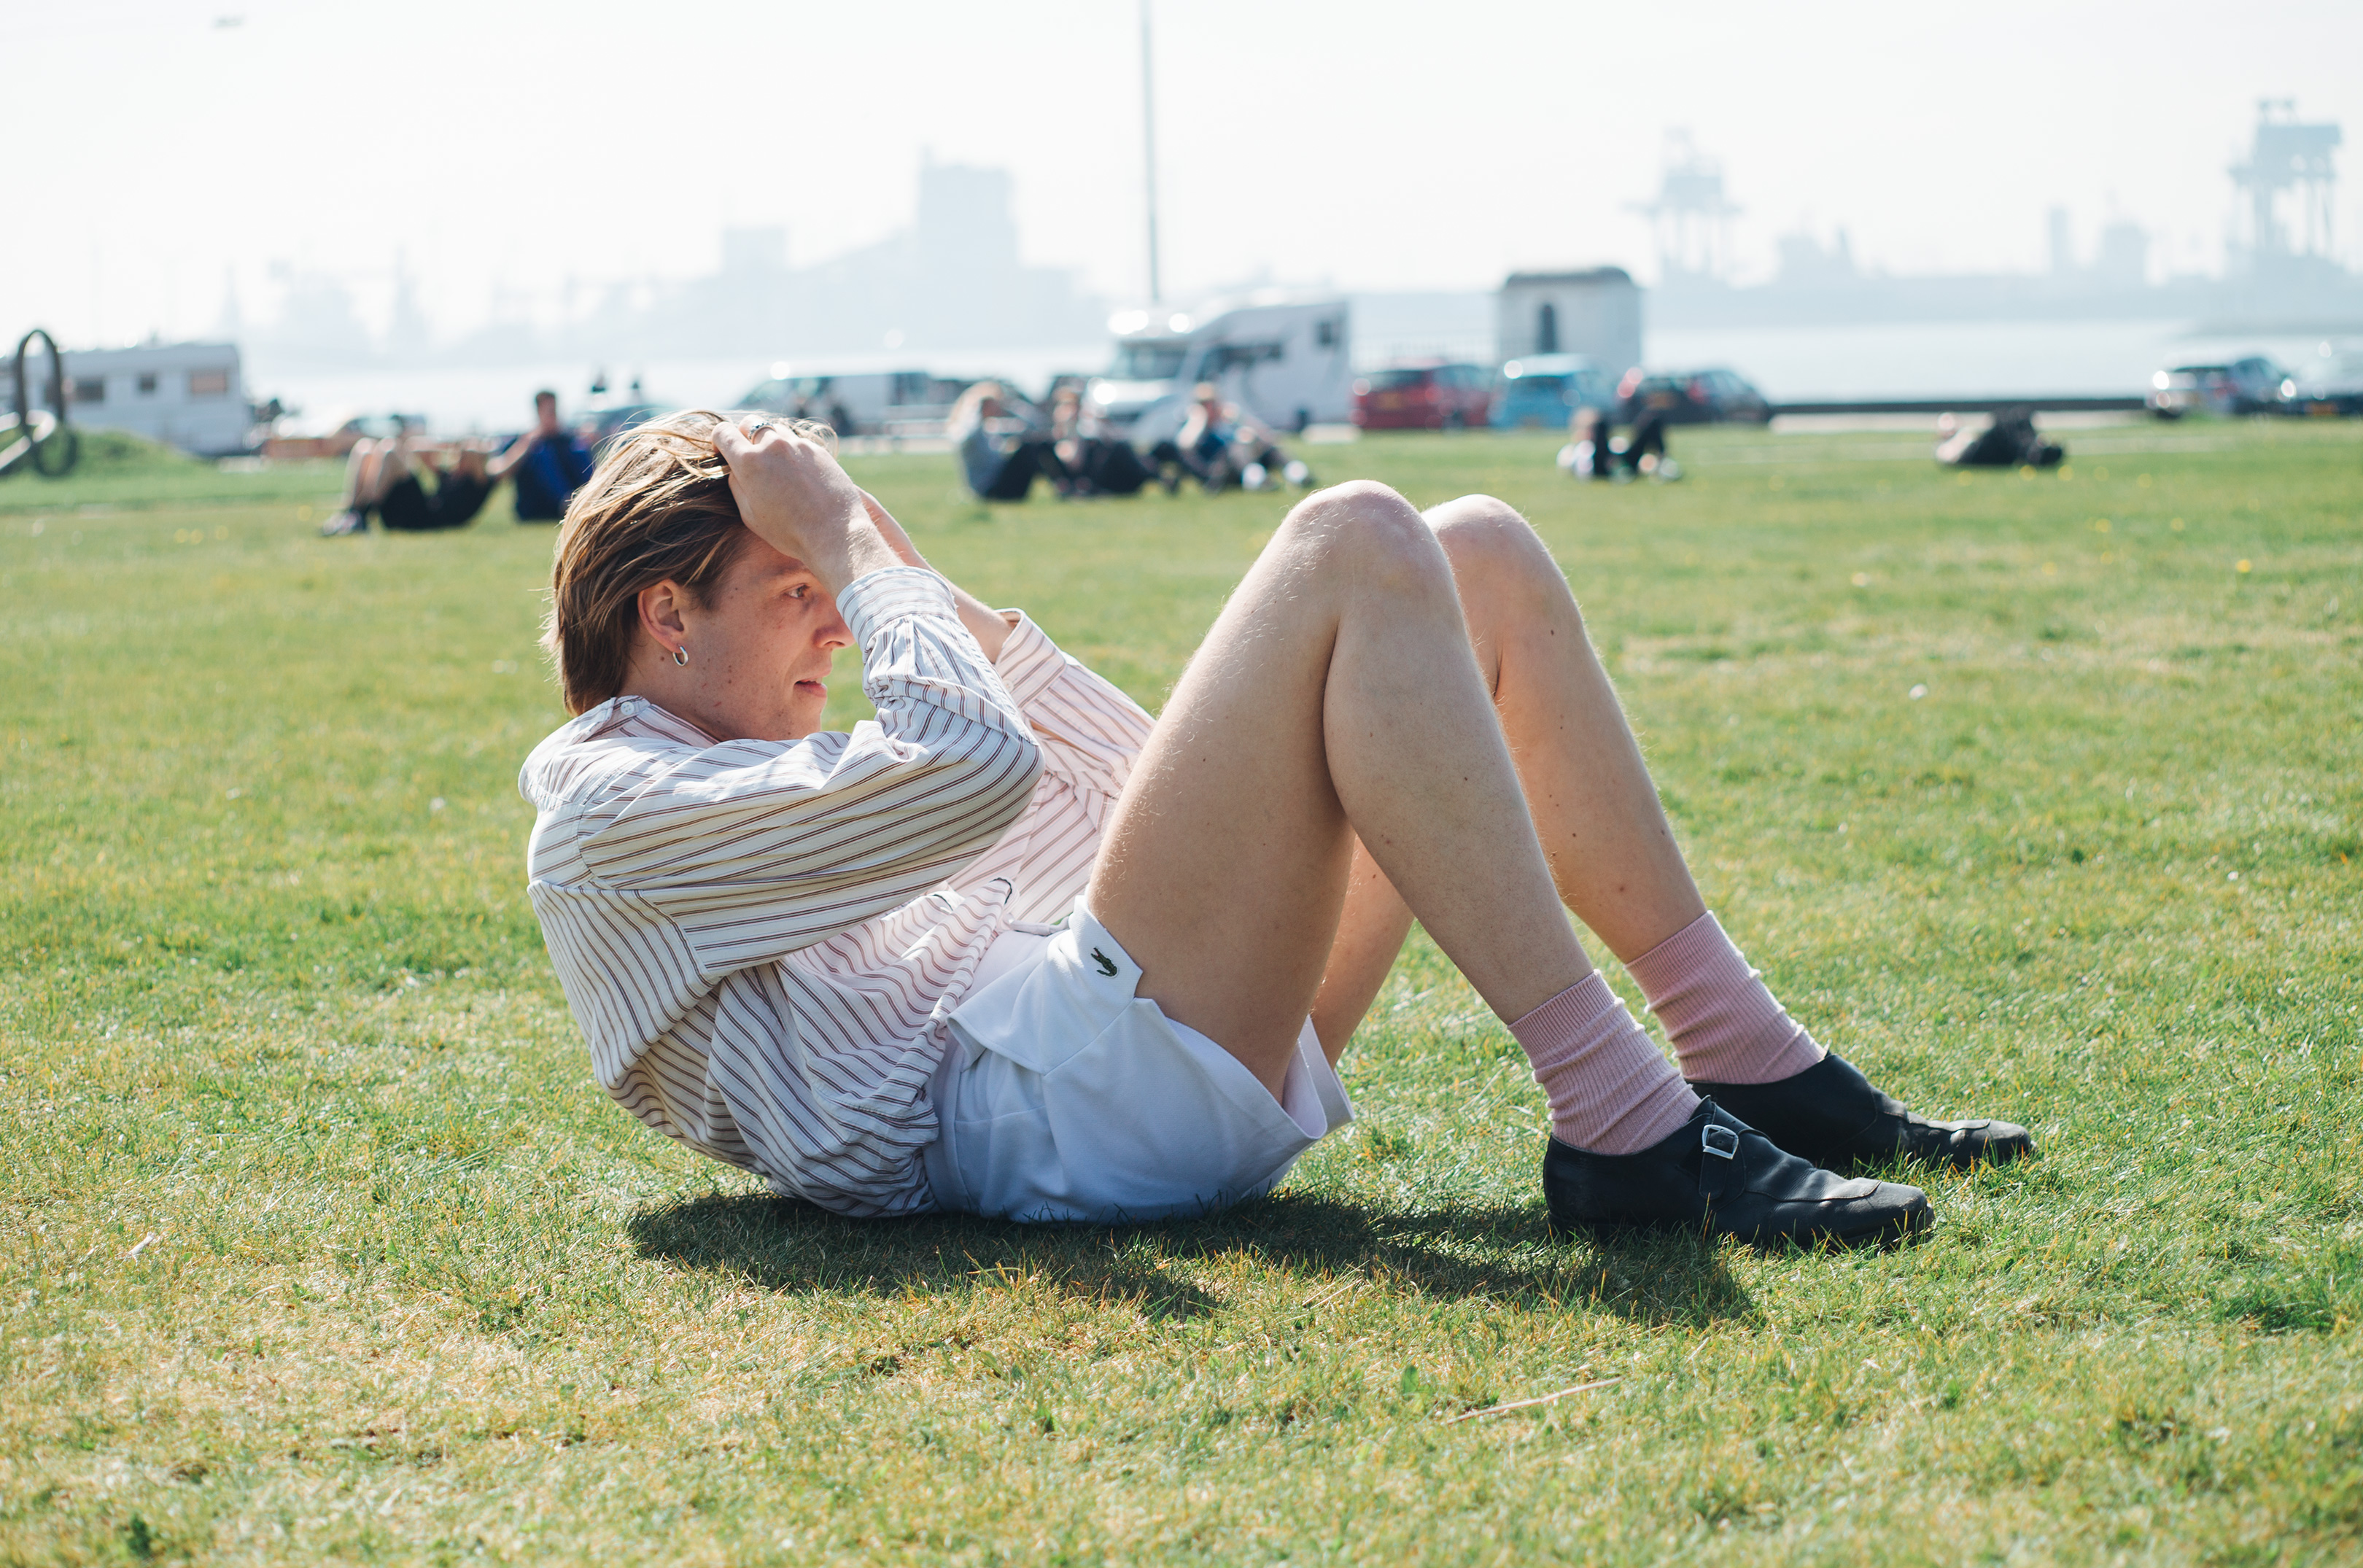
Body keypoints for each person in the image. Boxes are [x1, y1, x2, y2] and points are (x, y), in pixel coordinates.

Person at [519, 411, 2033, 1244]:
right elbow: (975, 770)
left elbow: (1101, 784)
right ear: (667, 616)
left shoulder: (743, 785)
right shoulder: (610, 818)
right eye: (797, 601)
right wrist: (850, 537)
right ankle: (1624, 1127)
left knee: (1471, 556)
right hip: (1043, 1114)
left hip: (1098, 1055)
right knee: (1352, 535)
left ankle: (1754, 1065)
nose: (840, 633)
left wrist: (880, 555)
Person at [319, 424, 496, 536]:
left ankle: (362, 514)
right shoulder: (449, 475)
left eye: (465, 454)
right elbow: (415, 448)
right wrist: (446, 446)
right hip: (410, 513)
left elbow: (502, 461)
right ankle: (352, 514)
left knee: (390, 450)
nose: (459, 456)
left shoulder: (480, 482)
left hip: (424, 520)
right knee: (365, 448)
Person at [1148, 384, 1313, 494]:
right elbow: (1184, 447)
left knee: (1266, 447)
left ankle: (1296, 473)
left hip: (1247, 458)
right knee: (1237, 448)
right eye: (1205, 405)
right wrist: (1198, 421)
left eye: (1213, 403)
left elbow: (1268, 435)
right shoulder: (1193, 425)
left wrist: (1241, 419)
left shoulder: (1227, 421)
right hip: (1220, 470)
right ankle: (1256, 480)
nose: (1211, 409)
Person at [949, 381, 1071, 502]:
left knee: (1038, 444)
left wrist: (1011, 404)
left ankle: (1067, 483)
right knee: (1028, 449)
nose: (998, 408)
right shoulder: (968, 430)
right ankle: (1065, 486)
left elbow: (1032, 426)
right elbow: (962, 438)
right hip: (988, 490)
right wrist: (974, 410)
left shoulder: (990, 427)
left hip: (1002, 484)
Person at [494, 390, 596, 521]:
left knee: (579, 448)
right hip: (534, 507)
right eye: (549, 411)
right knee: (541, 452)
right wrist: (526, 446)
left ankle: (593, 496)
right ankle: (566, 503)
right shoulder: (525, 441)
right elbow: (500, 471)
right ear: (538, 412)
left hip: (555, 507)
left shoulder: (566, 440)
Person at [1050, 388, 1152, 498]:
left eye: (1073, 406)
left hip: (1110, 475)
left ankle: (1152, 473)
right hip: (1083, 478)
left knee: (1117, 448)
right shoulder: (1058, 435)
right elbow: (1074, 462)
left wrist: (1099, 423)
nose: (1070, 411)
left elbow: (1115, 439)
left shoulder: (1087, 427)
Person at [1936, 408, 2064, 469]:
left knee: (2016, 419)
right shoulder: (1943, 449)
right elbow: (1954, 458)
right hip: (1976, 454)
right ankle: (2035, 450)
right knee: (2003, 422)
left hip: (1984, 450)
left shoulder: (1964, 433)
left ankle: (2035, 448)